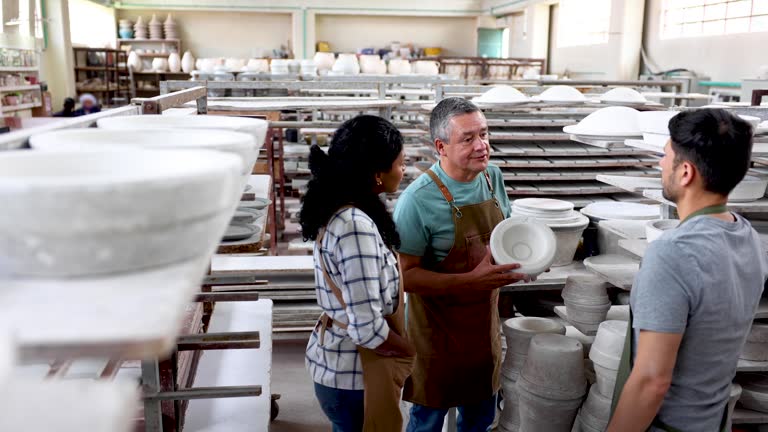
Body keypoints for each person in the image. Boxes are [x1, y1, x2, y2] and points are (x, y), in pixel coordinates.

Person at [608, 109, 768, 432]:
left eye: (665, 156)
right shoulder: (750, 238)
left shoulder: (672, 254)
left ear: (685, 172)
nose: (660, 165)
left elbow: (651, 382)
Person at [393, 97, 533, 432]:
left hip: (483, 329)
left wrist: (521, 260)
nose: (482, 146)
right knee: (427, 421)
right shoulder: (417, 200)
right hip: (436, 336)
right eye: (468, 138)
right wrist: (471, 280)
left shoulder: (491, 178)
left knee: (481, 418)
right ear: (441, 146)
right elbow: (406, 278)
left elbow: (504, 235)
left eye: (484, 134)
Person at [301, 115, 415, 432]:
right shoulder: (354, 227)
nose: (403, 170)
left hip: (342, 365)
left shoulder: (345, 209)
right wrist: (408, 350)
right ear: (377, 173)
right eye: (400, 163)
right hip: (353, 374)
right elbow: (367, 329)